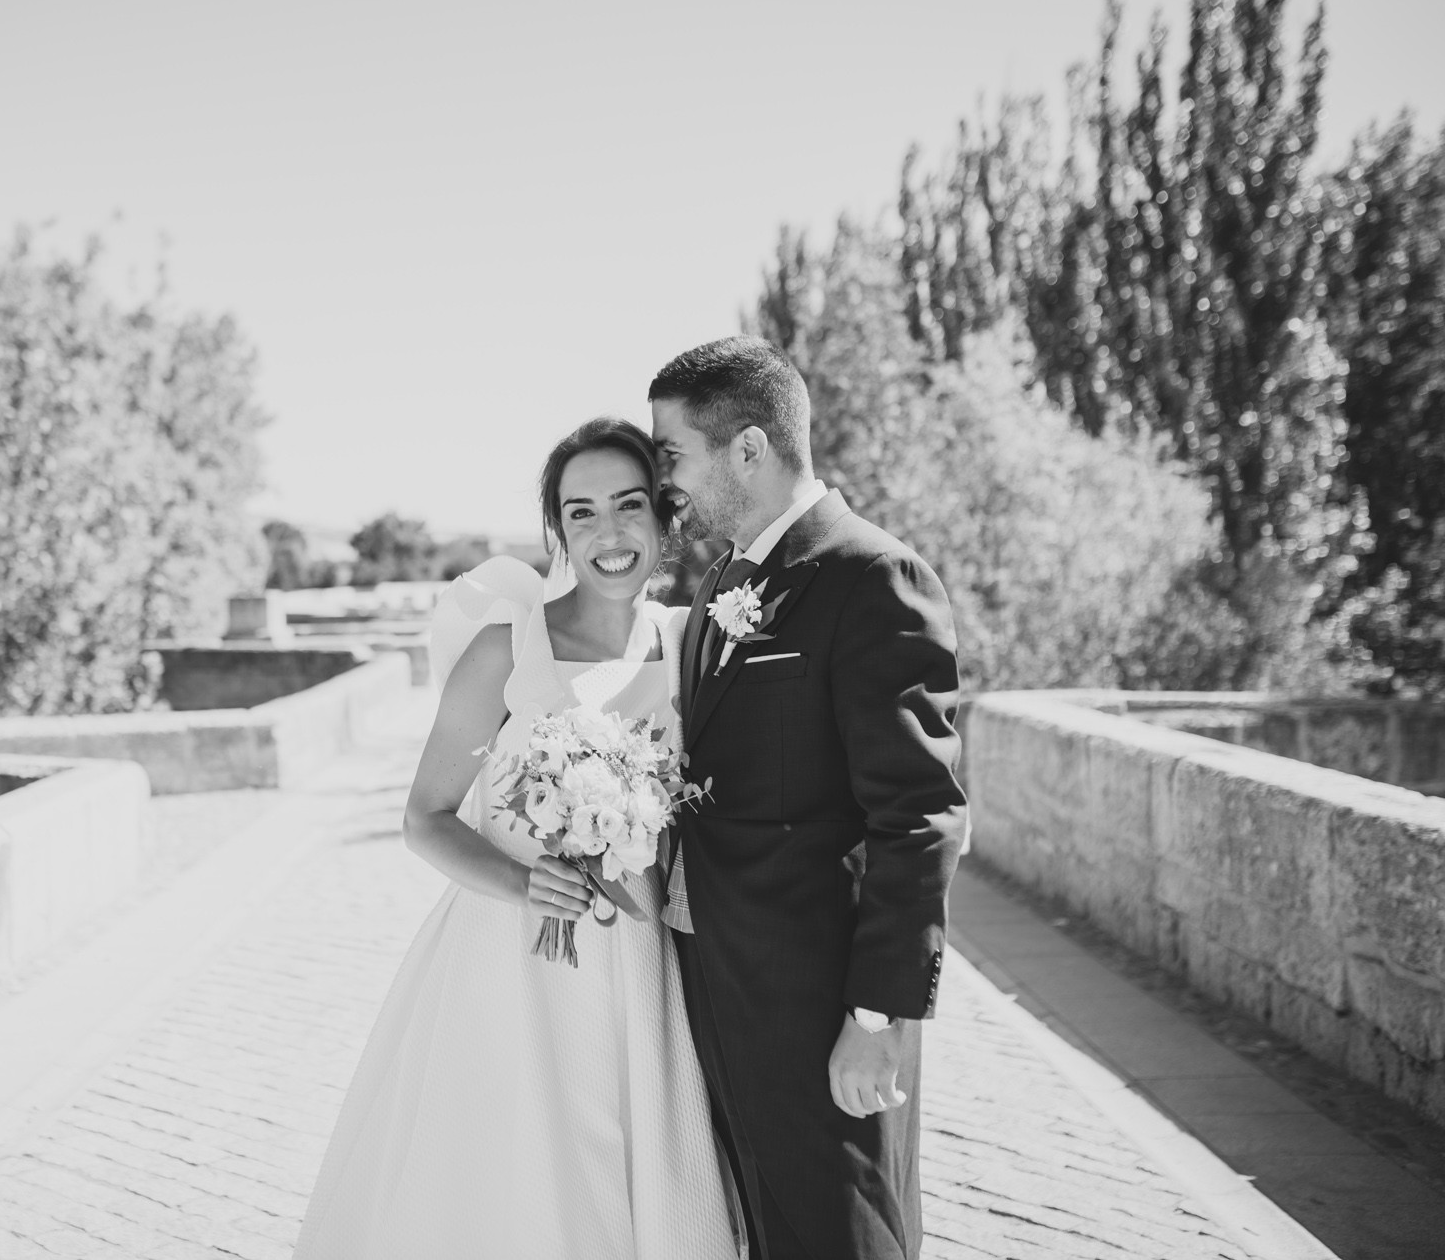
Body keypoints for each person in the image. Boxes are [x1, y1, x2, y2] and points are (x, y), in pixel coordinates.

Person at [292, 417, 741, 1260]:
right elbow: (424, 816)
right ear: (558, 530)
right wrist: (524, 883)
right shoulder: (506, 647)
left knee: (630, 1171)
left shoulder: (687, 643)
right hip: (507, 962)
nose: (608, 534)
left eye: (628, 504)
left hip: (644, 962)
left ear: (664, 516)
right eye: (580, 513)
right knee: (514, 1183)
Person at [650, 336, 967, 1260]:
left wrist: (876, 1018)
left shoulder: (875, 577)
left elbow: (920, 817)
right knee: (765, 1225)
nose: (666, 481)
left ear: (748, 448)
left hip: (818, 995)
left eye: (674, 455)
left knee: (845, 1233)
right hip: (718, 976)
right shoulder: (721, 583)